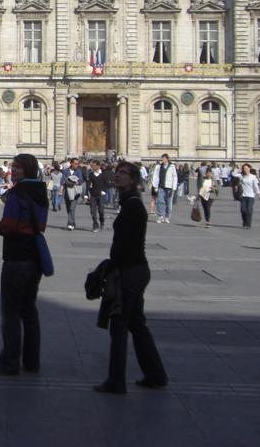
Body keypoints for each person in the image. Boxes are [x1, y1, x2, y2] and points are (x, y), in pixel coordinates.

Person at [93, 162, 168, 394]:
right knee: (137, 324)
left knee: (119, 326)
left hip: (130, 270)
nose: (117, 176)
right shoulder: (129, 202)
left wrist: (110, 267)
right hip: (135, 269)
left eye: (123, 174)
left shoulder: (133, 206)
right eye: (117, 173)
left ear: (134, 180)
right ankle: (156, 375)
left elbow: (127, 244)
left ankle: (116, 381)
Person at [0, 153, 47, 376]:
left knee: (10, 312)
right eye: (13, 167)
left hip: (16, 256)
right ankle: (32, 362)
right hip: (35, 257)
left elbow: (10, 224)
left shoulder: (16, 193)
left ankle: (9, 362)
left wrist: (1, 227)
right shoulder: (42, 192)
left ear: (27, 170)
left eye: (17, 167)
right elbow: (41, 224)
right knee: (29, 310)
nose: (13, 171)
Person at [150, 153, 178, 223]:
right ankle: (161, 216)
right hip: (161, 186)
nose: (163, 160)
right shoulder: (159, 166)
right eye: (162, 159)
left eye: (164, 158)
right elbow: (156, 176)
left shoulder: (172, 166)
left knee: (168, 202)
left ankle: (167, 216)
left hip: (169, 187)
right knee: (160, 201)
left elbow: (175, 177)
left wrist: (173, 187)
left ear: (167, 159)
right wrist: (155, 186)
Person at [60, 158, 86, 230]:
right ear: (71, 163)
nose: (76, 165)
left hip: (75, 193)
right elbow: (62, 180)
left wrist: (71, 181)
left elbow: (80, 180)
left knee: (72, 208)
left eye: (77, 164)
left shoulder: (78, 171)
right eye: (75, 163)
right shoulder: (65, 171)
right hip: (67, 193)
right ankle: (73, 222)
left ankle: (70, 224)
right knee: (68, 208)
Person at [237, 164, 260, 229]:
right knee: (243, 210)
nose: (245, 169)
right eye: (244, 168)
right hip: (243, 195)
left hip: (251, 196)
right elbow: (234, 174)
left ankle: (248, 224)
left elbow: (255, 186)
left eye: (246, 168)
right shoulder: (241, 176)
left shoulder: (253, 177)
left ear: (249, 168)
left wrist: (259, 193)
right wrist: (238, 169)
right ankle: (244, 222)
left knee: (249, 210)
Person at [88, 160, 109, 231]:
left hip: (100, 195)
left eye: (93, 165)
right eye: (92, 166)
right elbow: (89, 184)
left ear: (98, 166)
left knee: (101, 211)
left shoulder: (103, 174)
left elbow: (106, 184)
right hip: (93, 195)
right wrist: (86, 194)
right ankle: (95, 225)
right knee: (92, 211)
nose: (92, 167)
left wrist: (103, 191)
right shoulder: (91, 174)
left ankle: (102, 221)